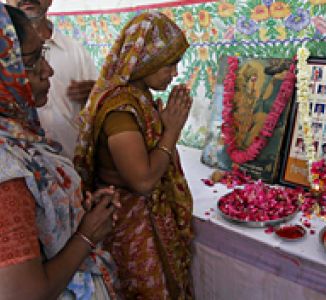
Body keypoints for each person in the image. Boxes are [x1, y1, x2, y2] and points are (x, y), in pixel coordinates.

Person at [0, 5, 120, 299]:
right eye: (31, 60)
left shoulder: (21, 136)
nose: (48, 70)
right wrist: (87, 235)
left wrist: (74, 209)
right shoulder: (7, 172)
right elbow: (23, 293)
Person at [74, 12, 194, 298]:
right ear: (145, 60)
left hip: (148, 219)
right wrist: (172, 131)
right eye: (170, 64)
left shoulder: (138, 98)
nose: (175, 73)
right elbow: (142, 181)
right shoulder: (121, 110)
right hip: (132, 226)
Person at [7, 0, 98, 160]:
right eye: (32, 61)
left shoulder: (75, 51)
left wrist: (95, 95)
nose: (48, 72)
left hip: (69, 167)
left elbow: (98, 107)